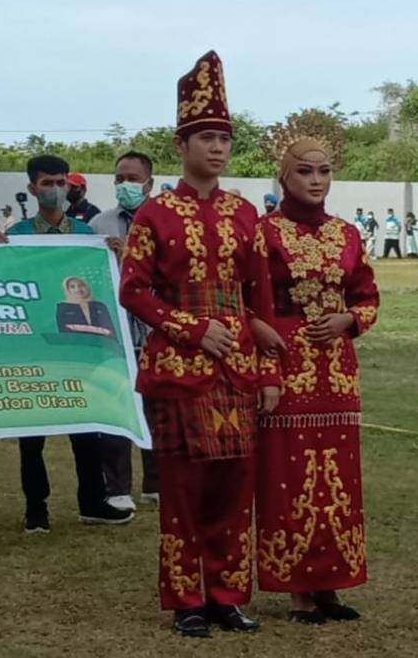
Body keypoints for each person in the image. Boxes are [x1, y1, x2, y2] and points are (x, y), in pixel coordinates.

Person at [118, 51, 281, 638]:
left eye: (224, 140)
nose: (217, 149)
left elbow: (261, 299)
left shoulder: (245, 215)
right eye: (206, 138)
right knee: (184, 488)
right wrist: (189, 327)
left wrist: (267, 374)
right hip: (177, 370)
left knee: (235, 486)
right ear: (181, 144)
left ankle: (228, 595)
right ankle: (188, 598)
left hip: (237, 367)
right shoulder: (156, 215)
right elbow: (133, 291)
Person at [256, 133, 380, 625]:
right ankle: (298, 592)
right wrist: (267, 371)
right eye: (305, 171)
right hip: (289, 371)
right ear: (284, 175)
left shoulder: (348, 234)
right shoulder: (263, 233)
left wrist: (349, 321)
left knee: (341, 482)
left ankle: (331, 582)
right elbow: (256, 307)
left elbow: (367, 296)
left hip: (338, 376)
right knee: (289, 480)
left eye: (324, 171)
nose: (316, 180)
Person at [8, 154, 134, 531]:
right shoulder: (16, 237)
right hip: (33, 345)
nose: (56, 189)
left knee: (86, 431)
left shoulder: (85, 233)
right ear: (33, 189)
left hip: (77, 347)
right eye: (47, 183)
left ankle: (93, 502)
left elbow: (102, 282)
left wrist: (116, 256)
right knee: (32, 436)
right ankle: (36, 509)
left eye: (61, 182)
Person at [89, 151, 159, 511]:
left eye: (131, 179)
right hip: (114, 331)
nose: (124, 185)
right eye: (118, 179)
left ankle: (156, 483)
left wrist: (131, 254)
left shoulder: (166, 222)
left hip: (156, 331)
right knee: (117, 409)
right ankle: (118, 488)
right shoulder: (98, 225)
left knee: (157, 410)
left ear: (149, 183)